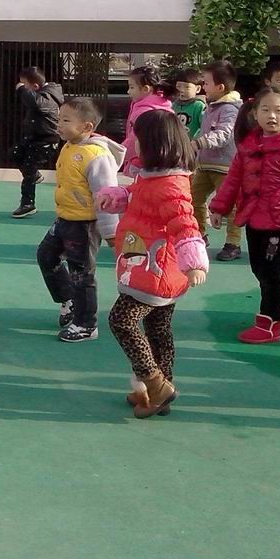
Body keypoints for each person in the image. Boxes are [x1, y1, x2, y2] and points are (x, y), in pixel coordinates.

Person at [97, 109, 208, 418]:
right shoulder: (155, 178)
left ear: (154, 145)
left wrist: (194, 261)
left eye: (138, 139)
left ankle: (155, 384)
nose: (133, 144)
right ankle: (159, 388)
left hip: (154, 269)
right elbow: (140, 197)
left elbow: (185, 223)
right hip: (156, 267)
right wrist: (117, 196)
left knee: (121, 320)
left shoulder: (169, 186)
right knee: (158, 329)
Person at [209, 87, 280, 344]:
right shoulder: (248, 147)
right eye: (266, 110)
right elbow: (233, 180)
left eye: (277, 110)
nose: (271, 116)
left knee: (271, 272)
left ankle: (269, 322)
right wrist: (219, 208)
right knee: (260, 269)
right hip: (254, 219)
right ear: (254, 113)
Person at [36, 98, 123, 343]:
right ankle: (69, 299)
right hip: (65, 218)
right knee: (46, 256)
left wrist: (110, 232)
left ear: (87, 127)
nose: (59, 124)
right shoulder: (70, 145)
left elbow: (107, 196)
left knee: (82, 274)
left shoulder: (96, 156)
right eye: (59, 119)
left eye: (66, 120)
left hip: (85, 225)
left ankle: (86, 324)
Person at [191, 61, 243, 262]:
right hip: (205, 165)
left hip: (225, 167)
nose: (203, 86)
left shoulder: (230, 109)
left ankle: (233, 243)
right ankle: (199, 235)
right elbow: (204, 131)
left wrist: (200, 143)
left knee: (232, 207)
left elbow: (224, 134)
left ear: (220, 87)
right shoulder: (211, 107)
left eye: (206, 83)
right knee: (193, 198)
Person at [12, 66, 64, 219]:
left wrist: (21, 90)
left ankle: (28, 204)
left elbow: (36, 103)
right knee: (14, 153)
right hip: (33, 138)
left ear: (35, 86)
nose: (22, 87)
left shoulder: (48, 97)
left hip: (46, 140)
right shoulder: (41, 94)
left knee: (29, 169)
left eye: (25, 85)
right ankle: (35, 175)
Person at [123, 65, 174, 178]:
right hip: (164, 161)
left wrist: (118, 153)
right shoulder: (164, 107)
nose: (128, 91)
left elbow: (134, 139)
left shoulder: (143, 111)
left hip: (145, 162)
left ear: (146, 89)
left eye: (132, 87)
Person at [170, 69, 206, 140]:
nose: (181, 90)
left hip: (192, 144)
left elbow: (204, 127)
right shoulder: (173, 105)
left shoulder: (199, 106)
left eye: (187, 87)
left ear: (198, 89)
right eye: (178, 86)